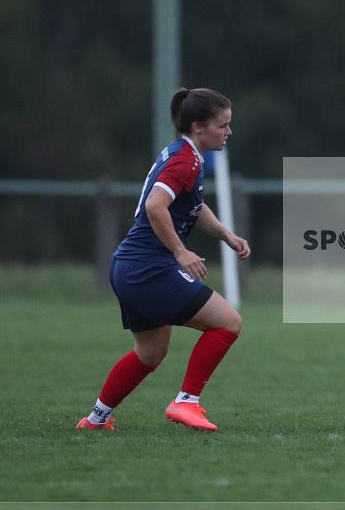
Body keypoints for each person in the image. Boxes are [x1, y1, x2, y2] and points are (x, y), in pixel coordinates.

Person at [76, 87, 250, 433]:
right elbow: (156, 206)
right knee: (227, 322)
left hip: (129, 266)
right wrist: (180, 252)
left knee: (150, 353)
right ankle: (186, 401)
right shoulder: (185, 160)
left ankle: (97, 418)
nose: (228, 132)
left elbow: (193, 208)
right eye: (223, 125)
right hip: (147, 268)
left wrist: (226, 236)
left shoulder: (186, 154)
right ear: (199, 126)